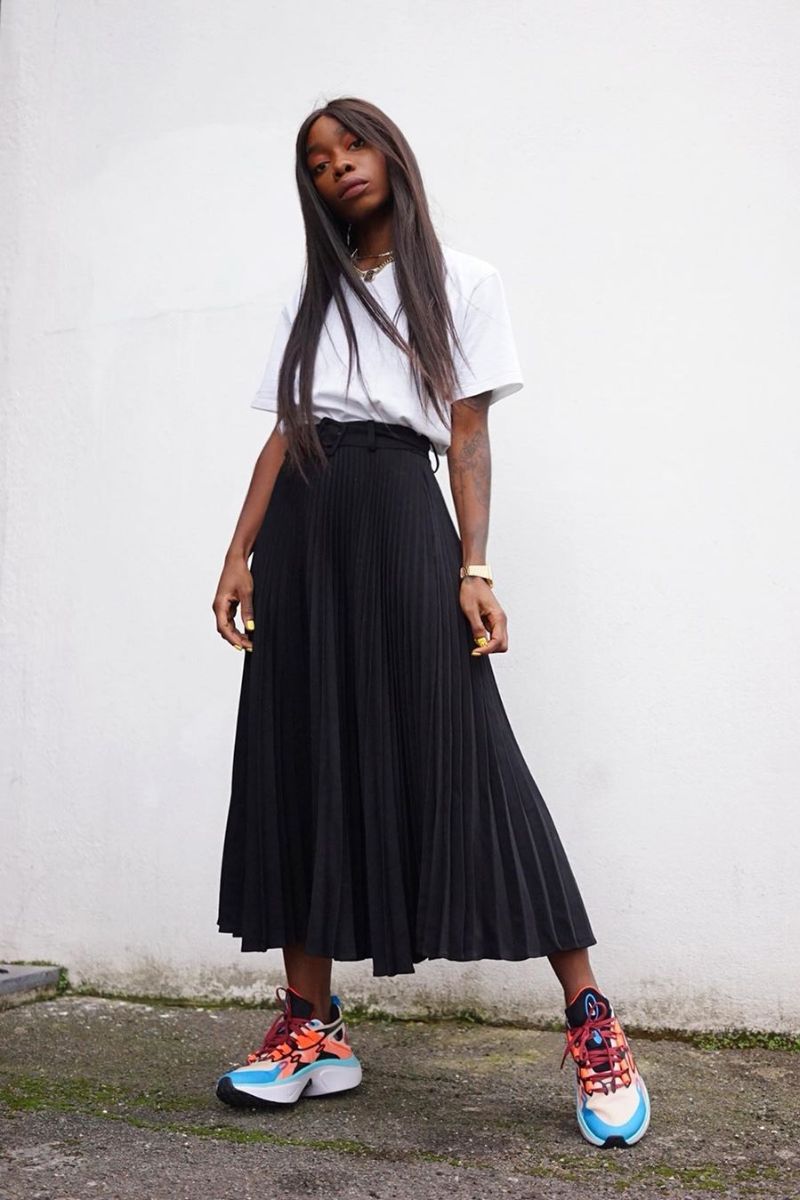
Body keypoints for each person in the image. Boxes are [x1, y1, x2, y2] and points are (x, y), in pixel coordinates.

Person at [211, 96, 650, 1148]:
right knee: (299, 755)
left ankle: (592, 1023)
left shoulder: (463, 280)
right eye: (316, 162)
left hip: (403, 516)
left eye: (350, 145)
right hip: (305, 530)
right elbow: (286, 433)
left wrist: (473, 567)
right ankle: (312, 1026)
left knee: (472, 754)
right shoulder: (307, 300)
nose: (337, 168)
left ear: (389, 153)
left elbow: (466, 435)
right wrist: (238, 553)